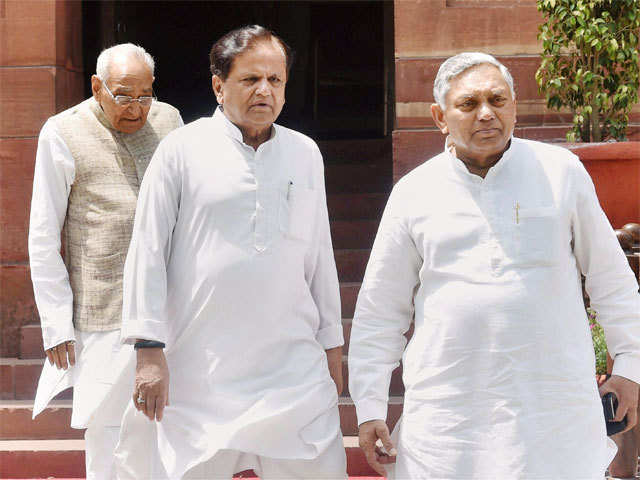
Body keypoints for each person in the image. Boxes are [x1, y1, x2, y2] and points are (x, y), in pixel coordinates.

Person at [348, 52, 640, 479]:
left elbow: (612, 282)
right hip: (449, 418)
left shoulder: (561, 173)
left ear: (515, 106)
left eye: (498, 100)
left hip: (552, 408)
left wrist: (630, 368)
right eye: (468, 104)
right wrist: (370, 405)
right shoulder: (414, 192)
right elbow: (380, 310)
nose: (487, 114)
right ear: (439, 117)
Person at [114, 25, 347, 479]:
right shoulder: (181, 150)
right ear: (219, 86)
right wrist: (147, 347)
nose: (265, 90)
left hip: (291, 367)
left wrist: (332, 345)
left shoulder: (306, 153)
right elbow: (148, 249)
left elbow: (320, 253)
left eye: (275, 80)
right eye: (250, 79)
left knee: (320, 466)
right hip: (201, 368)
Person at [28, 43, 183, 480]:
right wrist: (56, 321)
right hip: (102, 310)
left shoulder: (170, 121)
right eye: (123, 95)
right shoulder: (62, 132)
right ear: (97, 87)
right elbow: (43, 235)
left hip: (169, 306)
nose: (136, 109)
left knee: (170, 431)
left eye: (145, 96)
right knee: (111, 436)